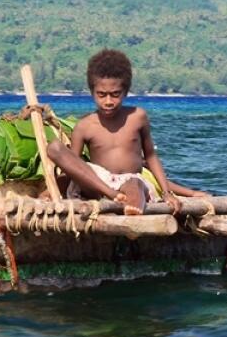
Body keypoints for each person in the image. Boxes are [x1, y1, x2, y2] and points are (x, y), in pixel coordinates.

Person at [46, 48, 182, 215]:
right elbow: (75, 166)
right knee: (54, 148)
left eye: (115, 94)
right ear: (92, 92)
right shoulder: (85, 125)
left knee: (134, 183)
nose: (108, 101)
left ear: (125, 92)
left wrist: (167, 193)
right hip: (98, 183)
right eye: (102, 95)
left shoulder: (137, 117)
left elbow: (151, 156)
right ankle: (113, 195)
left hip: (130, 181)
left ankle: (131, 206)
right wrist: (51, 190)